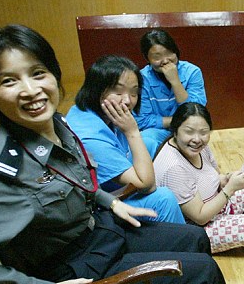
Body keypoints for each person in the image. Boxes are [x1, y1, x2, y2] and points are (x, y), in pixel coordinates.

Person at [0, 25, 244, 284]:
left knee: (194, 236)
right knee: (204, 269)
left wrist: (109, 201)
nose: (30, 90)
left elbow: (74, 182)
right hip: (78, 268)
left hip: (101, 230)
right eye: (9, 80)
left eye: (38, 73)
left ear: (54, 75)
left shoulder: (57, 125)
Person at [153, 102, 244, 255]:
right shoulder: (175, 168)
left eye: (204, 132)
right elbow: (200, 217)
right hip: (198, 229)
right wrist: (230, 189)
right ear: (175, 131)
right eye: (189, 132)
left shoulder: (197, 148)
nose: (197, 139)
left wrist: (224, 179)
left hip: (216, 203)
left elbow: (214, 173)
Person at [66, 55, 186, 224]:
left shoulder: (97, 110)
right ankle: (187, 239)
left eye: (134, 92)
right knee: (163, 198)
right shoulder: (90, 137)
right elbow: (146, 185)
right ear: (96, 89)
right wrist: (132, 132)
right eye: (118, 91)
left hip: (116, 180)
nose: (127, 100)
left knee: (152, 139)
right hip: (103, 207)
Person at [136, 29, 207, 152]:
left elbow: (196, 111)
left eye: (169, 53)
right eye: (157, 57)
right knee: (145, 140)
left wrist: (175, 82)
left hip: (189, 129)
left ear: (175, 51)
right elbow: (142, 120)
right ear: (147, 59)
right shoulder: (142, 79)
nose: (165, 60)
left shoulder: (192, 72)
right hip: (158, 131)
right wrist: (176, 121)